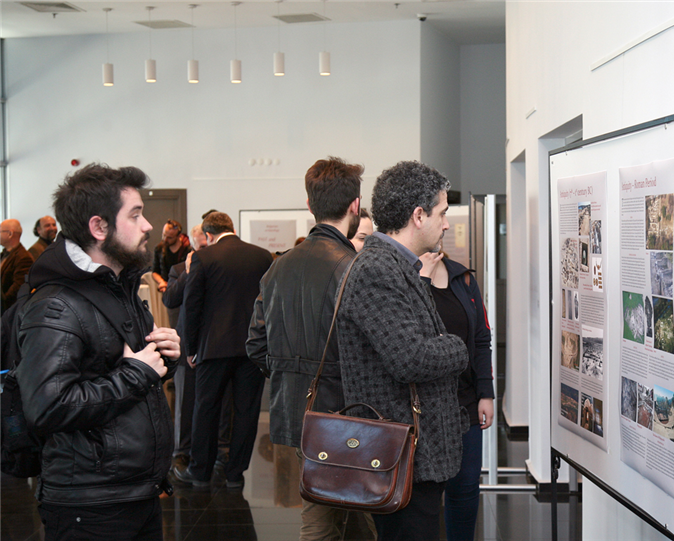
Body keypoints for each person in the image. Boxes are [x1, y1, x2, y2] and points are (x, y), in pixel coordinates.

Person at [15, 163, 181, 540]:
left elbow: (121, 368)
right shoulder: (56, 305)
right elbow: (47, 407)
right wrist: (136, 373)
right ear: (99, 227)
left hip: (134, 492)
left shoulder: (117, 286)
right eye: (135, 215)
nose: (148, 225)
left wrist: (161, 359)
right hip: (90, 506)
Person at [336, 160, 468, 540]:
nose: (446, 224)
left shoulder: (396, 266)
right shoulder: (378, 269)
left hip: (411, 456)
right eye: (442, 213)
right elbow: (411, 358)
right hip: (402, 457)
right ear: (418, 215)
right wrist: (458, 348)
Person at [247, 157, 375, 540]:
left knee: (327, 508)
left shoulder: (277, 268)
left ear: (309, 204)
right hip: (350, 412)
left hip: (296, 410)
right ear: (355, 205)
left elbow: (255, 345)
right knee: (346, 513)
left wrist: (291, 375)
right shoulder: (355, 268)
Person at [175, 212, 272, 489]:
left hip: (213, 348)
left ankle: (200, 472)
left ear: (208, 235)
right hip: (251, 348)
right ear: (232, 229)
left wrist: (191, 348)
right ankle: (235, 474)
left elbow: (192, 306)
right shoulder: (262, 256)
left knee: (206, 409)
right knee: (246, 411)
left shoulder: (204, 257)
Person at [419, 248, 494, 541]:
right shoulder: (402, 276)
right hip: (419, 404)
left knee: (465, 487)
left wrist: (485, 393)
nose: (445, 227)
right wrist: (422, 279)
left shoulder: (462, 278)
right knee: (423, 493)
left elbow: (481, 338)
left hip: (464, 401)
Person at [162, 224, 207, 467]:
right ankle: (181, 452)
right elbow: (169, 298)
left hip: (210, 346)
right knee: (184, 402)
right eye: (201, 247)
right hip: (186, 345)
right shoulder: (179, 269)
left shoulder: (216, 269)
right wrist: (189, 272)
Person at [0, 219, 34, 314]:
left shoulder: (23, 257)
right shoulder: (4, 254)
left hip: (8, 312)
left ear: (10, 234)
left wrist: (2, 304)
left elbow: (18, 287)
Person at [152, 219, 191, 292]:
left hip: (183, 287)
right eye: (164, 235)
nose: (165, 239)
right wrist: (161, 282)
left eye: (169, 237)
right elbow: (155, 271)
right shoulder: (159, 249)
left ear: (178, 236)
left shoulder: (188, 250)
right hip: (167, 288)